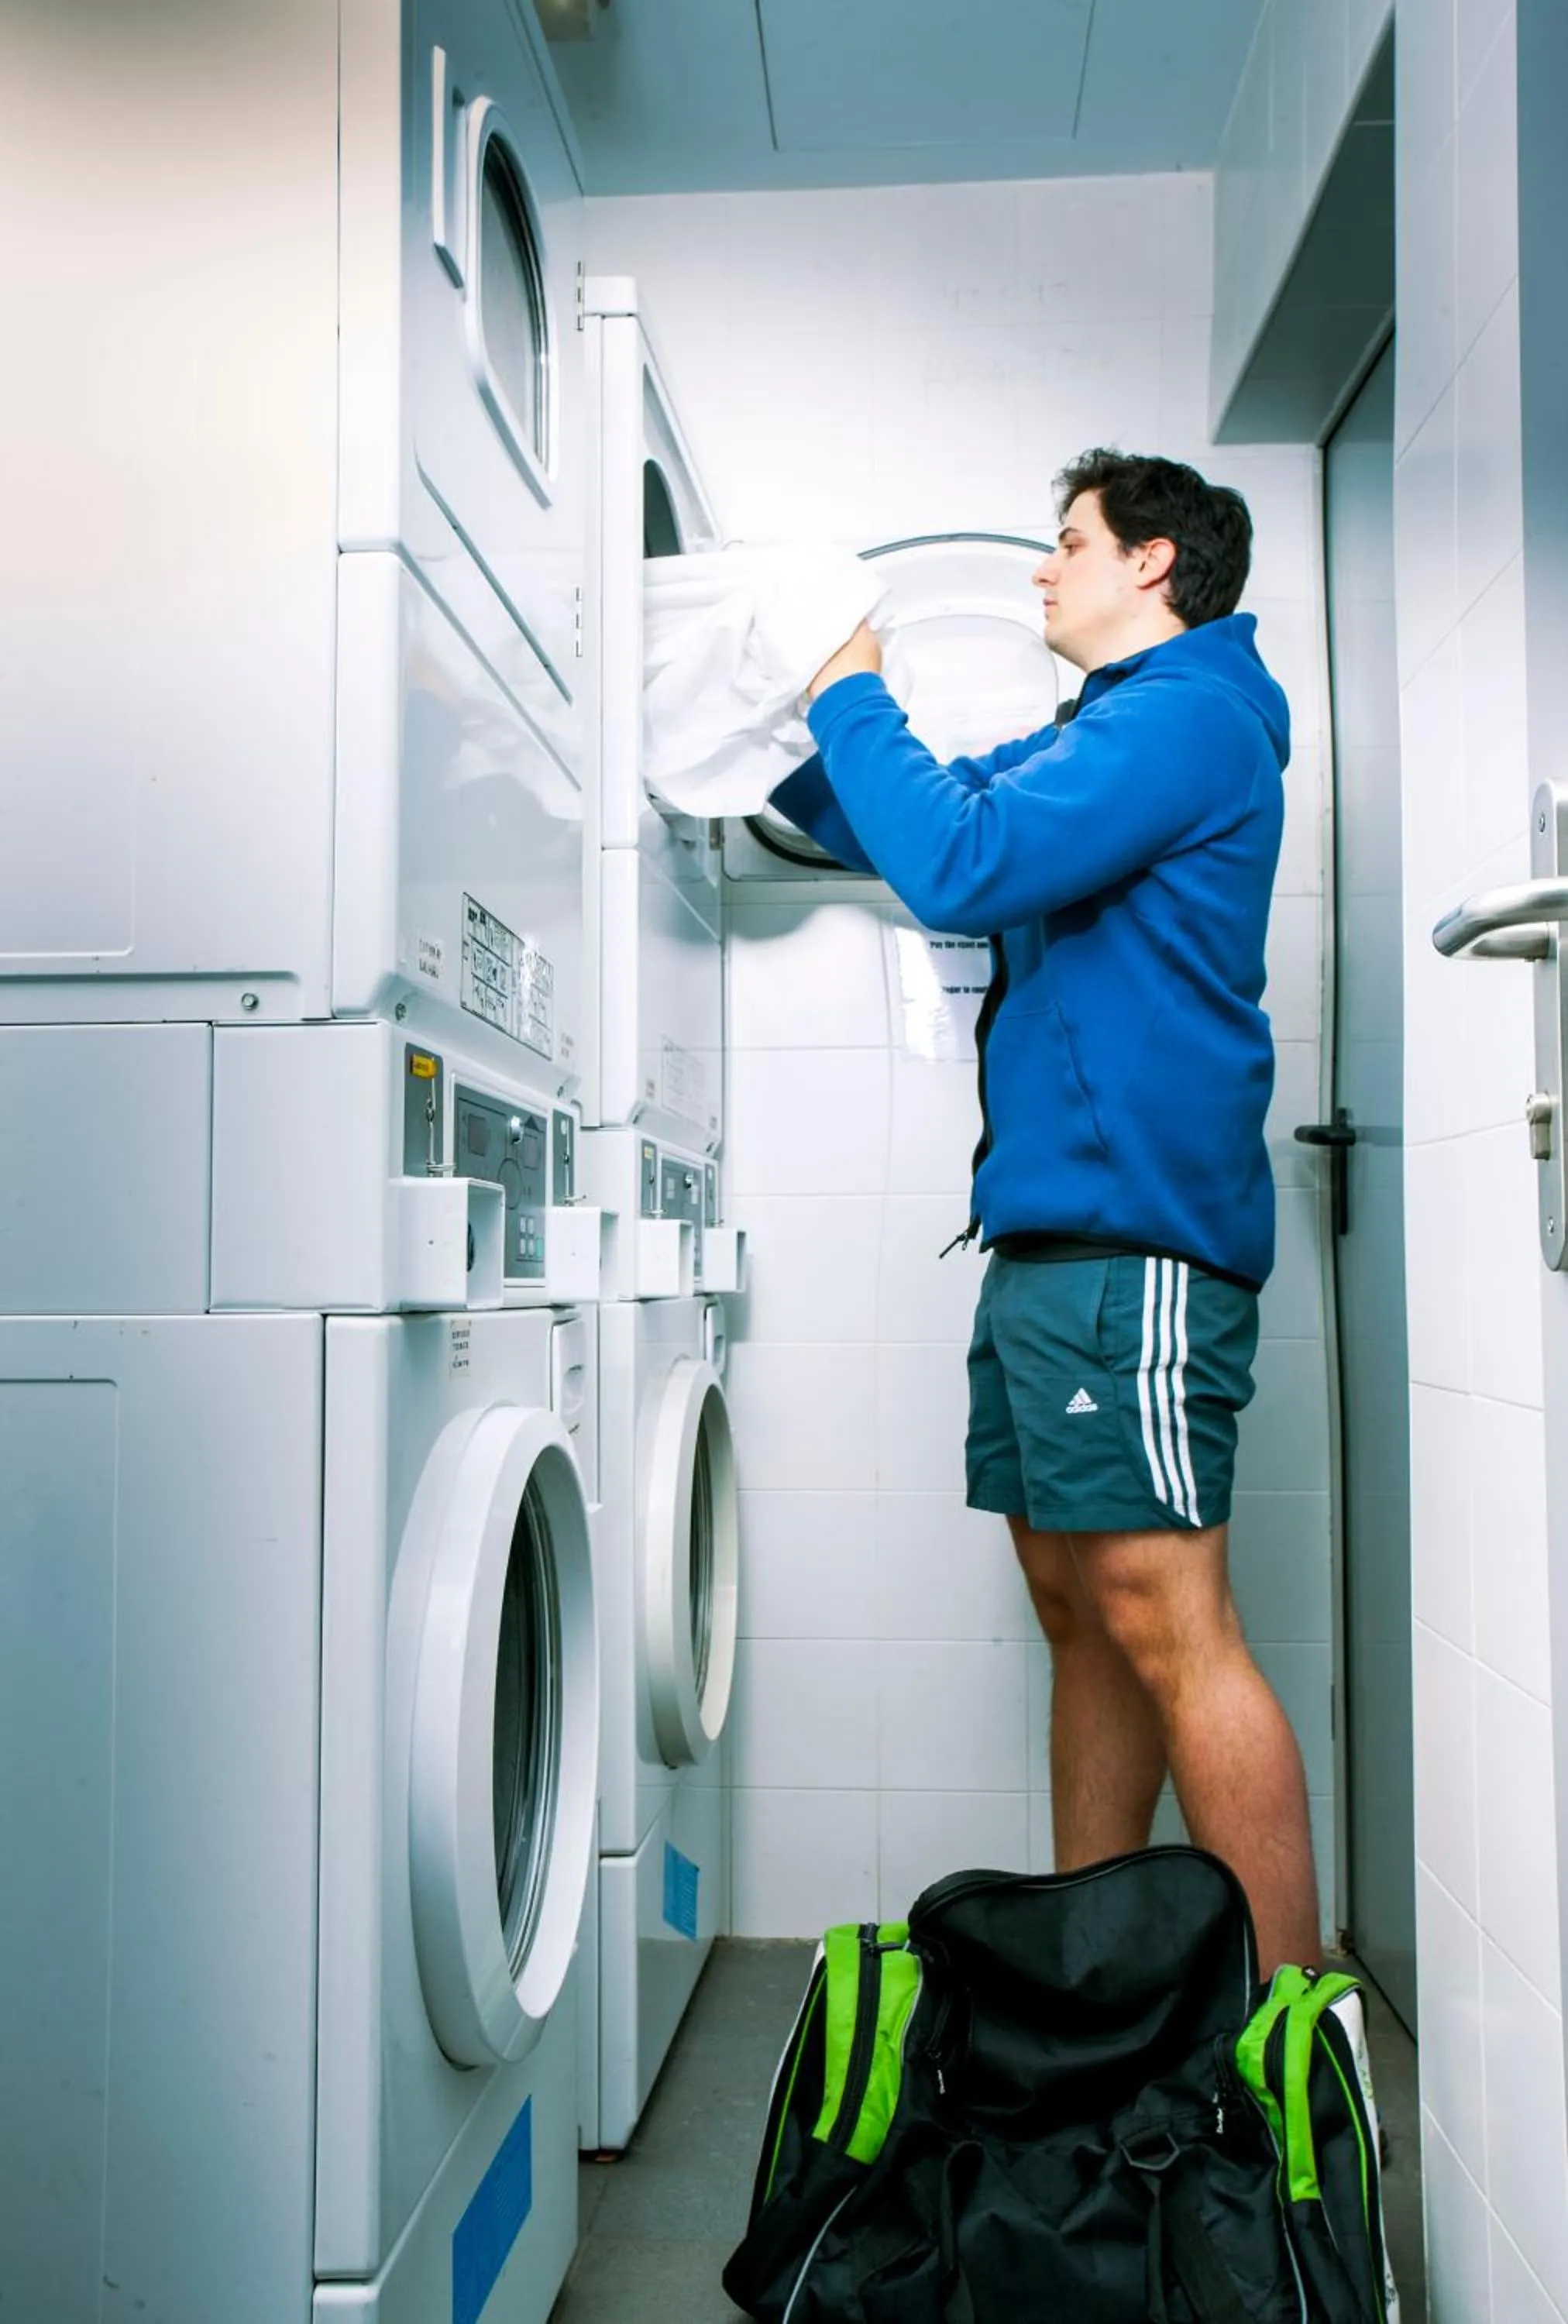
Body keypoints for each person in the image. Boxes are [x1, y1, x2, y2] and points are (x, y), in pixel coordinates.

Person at [769, 449, 1317, 1976]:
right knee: (1078, 1604)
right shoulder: (1101, 731)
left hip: (1135, 1244)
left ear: (1152, 564)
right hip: (1058, 1240)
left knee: (1164, 1615)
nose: (1039, 570)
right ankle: (1104, 1982)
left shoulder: (1185, 716)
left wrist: (847, 678)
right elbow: (911, 816)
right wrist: (788, 726)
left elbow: (960, 864)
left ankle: (1291, 2049)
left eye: (1065, 543)